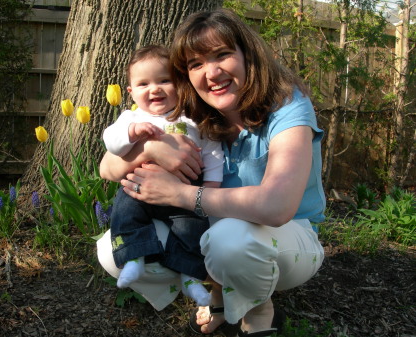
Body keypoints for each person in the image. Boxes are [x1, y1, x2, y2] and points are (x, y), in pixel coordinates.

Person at [98, 8, 325, 337]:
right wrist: (149, 149)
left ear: (247, 55)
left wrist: (180, 195)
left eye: (222, 55)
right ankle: (220, 296)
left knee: (228, 239)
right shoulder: (191, 113)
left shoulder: (287, 107)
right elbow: (107, 167)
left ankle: (258, 307)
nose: (212, 72)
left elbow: (276, 206)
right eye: (196, 64)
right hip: (216, 234)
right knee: (112, 250)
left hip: (289, 238)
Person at [102, 45, 224, 307]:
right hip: (141, 188)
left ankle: (190, 276)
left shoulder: (192, 118)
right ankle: (134, 257)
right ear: (131, 92)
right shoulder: (131, 118)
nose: (154, 89)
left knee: (192, 229)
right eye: (143, 84)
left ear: (180, 84)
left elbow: (213, 150)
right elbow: (110, 142)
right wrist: (132, 134)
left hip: (185, 192)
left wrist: (212, 186)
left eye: (164, 80)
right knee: (124, 209)